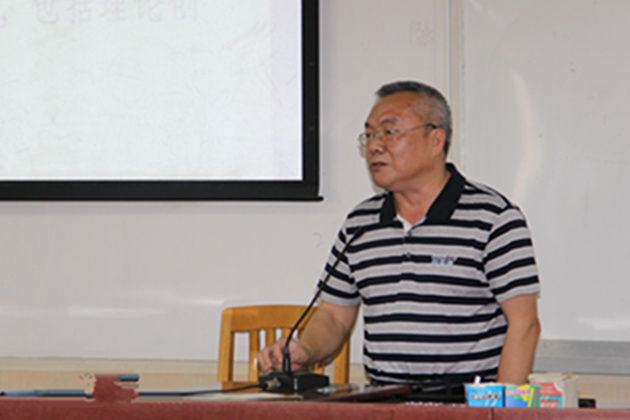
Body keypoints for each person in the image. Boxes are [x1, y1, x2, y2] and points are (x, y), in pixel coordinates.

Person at [257, 81, 541, 393]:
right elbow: (334, 315)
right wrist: (305, 350)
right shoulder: (360, 223)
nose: (374, 147)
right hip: (384, 401)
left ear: (435, 140)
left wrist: (498, 409)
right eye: (369, 135)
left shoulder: (492, 218)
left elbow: (524, 325)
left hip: (465, 403)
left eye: (389, 132)